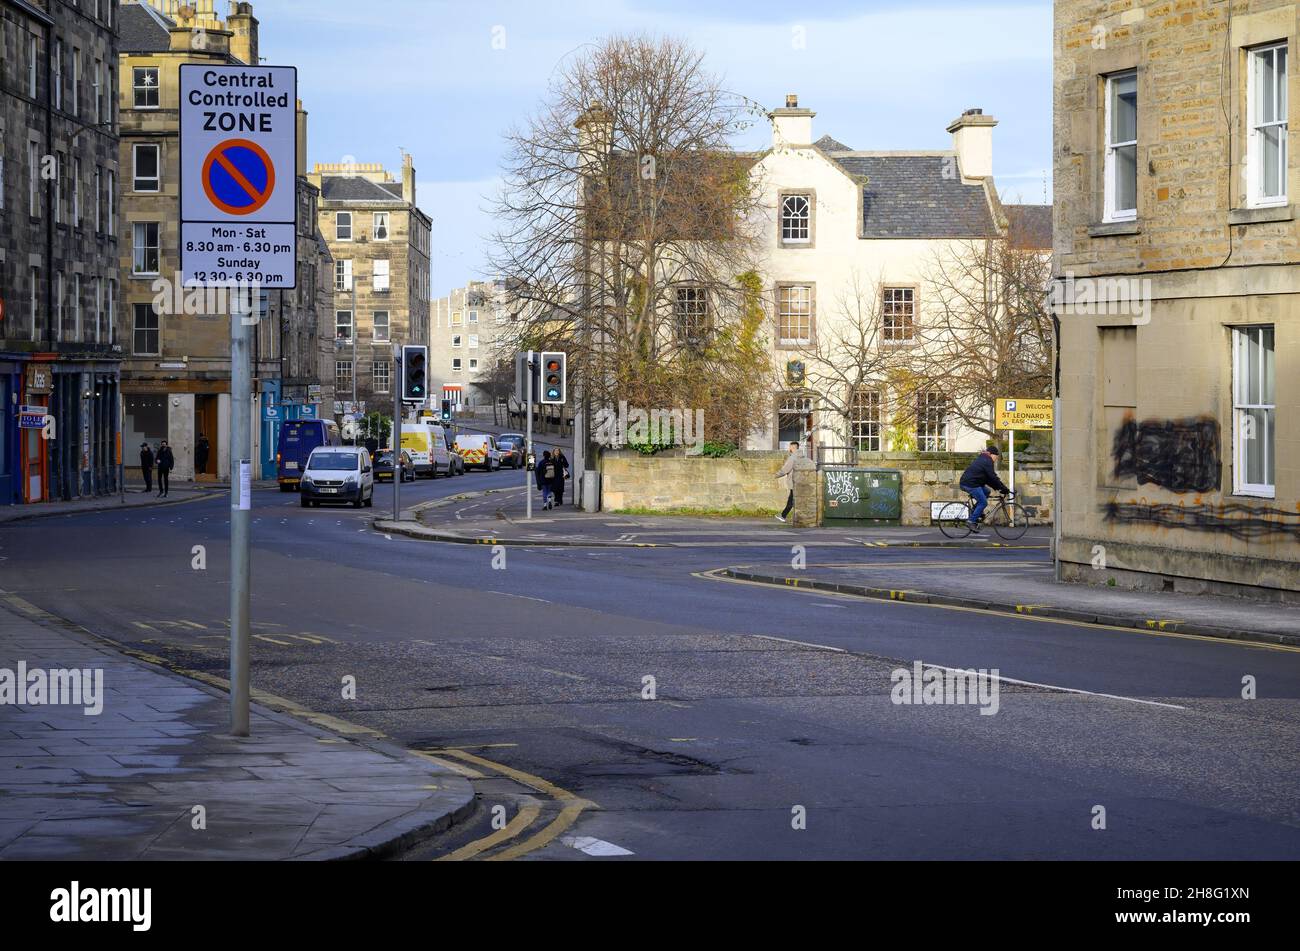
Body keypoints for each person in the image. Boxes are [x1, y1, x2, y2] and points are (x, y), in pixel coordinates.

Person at [959, 444, 1012, 533]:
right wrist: (1003, 488)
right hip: (970, 484)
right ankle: (971, 521)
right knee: (983, 502)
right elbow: (993, 477)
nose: (996, 459)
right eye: (996, 456)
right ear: (991, 454)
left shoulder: (984, 459)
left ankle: (976, 512)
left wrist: (1000, 488)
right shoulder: (987, 461)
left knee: (987, 491)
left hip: (972, 482)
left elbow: (988, 479)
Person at [773, 441, 801, 522]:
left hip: (794, 481)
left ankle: (783, 516)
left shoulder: (792, 457)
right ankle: (785, 515)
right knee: (795, 500)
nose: (789, 448)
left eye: (790, 447)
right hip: (801, 482)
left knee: (791, 500)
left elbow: (785, 469)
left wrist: (775, 475)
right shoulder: (802, 456)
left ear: (793, 447)